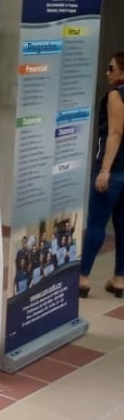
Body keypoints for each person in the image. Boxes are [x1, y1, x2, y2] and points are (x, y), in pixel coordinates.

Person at [81, 53, 124, 298]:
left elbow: (115, 133)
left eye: (111, 68)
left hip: (114, 169)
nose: (107, 73)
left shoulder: (116, 96)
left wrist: (105, 170)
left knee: (97, 222)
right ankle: (119, 279)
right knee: (122, 225)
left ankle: (82, 277)